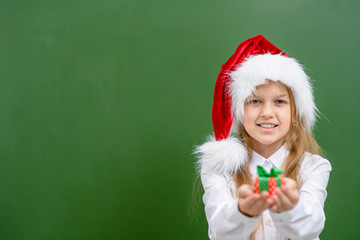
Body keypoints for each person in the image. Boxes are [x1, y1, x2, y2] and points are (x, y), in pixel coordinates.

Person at [195, 35, 331, 240]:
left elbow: (311, 227)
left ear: (295, 114)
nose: (267, 112)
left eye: (279, 101)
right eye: (255, 101)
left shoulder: (313, 167)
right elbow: (220, 230)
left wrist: (290, 208)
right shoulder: (219, 170)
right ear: (239, 113)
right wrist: (243, 210)